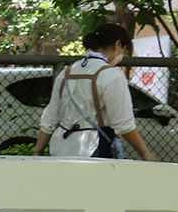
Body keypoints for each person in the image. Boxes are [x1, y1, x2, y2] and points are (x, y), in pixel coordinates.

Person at [34, 23, 157, 161]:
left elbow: (50, 117)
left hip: (60, 150)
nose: (121, 57)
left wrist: (38, 152)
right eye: (123, 51)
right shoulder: (112, 76)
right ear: (117, 45)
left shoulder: (66, 73)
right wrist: (144, 152)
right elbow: (123, 124)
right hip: (94, 150)